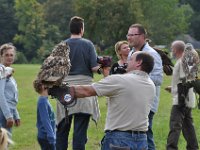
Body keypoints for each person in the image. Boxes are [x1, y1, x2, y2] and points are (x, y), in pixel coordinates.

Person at [60, 51, 155, 150]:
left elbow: (86, 91)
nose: (127, 61)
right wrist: (108, 72)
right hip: (142, 139)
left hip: (119, 139)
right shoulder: (150, 84)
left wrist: (59, 89)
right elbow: (116, 88)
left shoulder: (120, 80)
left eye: (131, 59)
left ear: (139, 62)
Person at [56, 16, 101, 150]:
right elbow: (94, 67)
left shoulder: (62, 46)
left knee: (62, 132)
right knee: (80, 134)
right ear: (81, 29)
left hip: (64, 91)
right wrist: (102, 67)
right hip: (84, 91)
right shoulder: (87, 44)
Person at [126, 23, 163, 150]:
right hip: (132, 102)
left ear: (142, 36)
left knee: (145, 137)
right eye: (128, 35)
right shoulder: (131, 53)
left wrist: (136, 76)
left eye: (132, 35)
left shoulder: (152, 54)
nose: (129, 38)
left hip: (146, 103)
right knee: (134, 137)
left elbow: (158, 79)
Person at [165, 40, 199, 150]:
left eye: (172, 48)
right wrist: (173, 88)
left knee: (175, 126)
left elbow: (187, 82)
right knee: (188, 126)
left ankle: (171, 148)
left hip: (182, 99)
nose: (171, 51)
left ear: (176, 49)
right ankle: (193, 148)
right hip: (186, 98)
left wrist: (180, 97)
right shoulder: (184, 61)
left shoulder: (183, 62)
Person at [0, 43, 20, 135]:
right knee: (4, 144)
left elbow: (11, 97)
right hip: (3, 112)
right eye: (6, 55)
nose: (9, 57)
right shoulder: (2, 70)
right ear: (1, 56)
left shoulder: (7, 70)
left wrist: (16, 115)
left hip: (8, 110)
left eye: (11, 55)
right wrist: (8, 116)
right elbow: (1, 95)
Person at [33, 80, 56, 150]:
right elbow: (45, 119)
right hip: (46, 137)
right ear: (43, 87)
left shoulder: (45, 100)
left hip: (48, 136)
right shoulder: (42, 102)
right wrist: (51, 135)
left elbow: (51, 118)